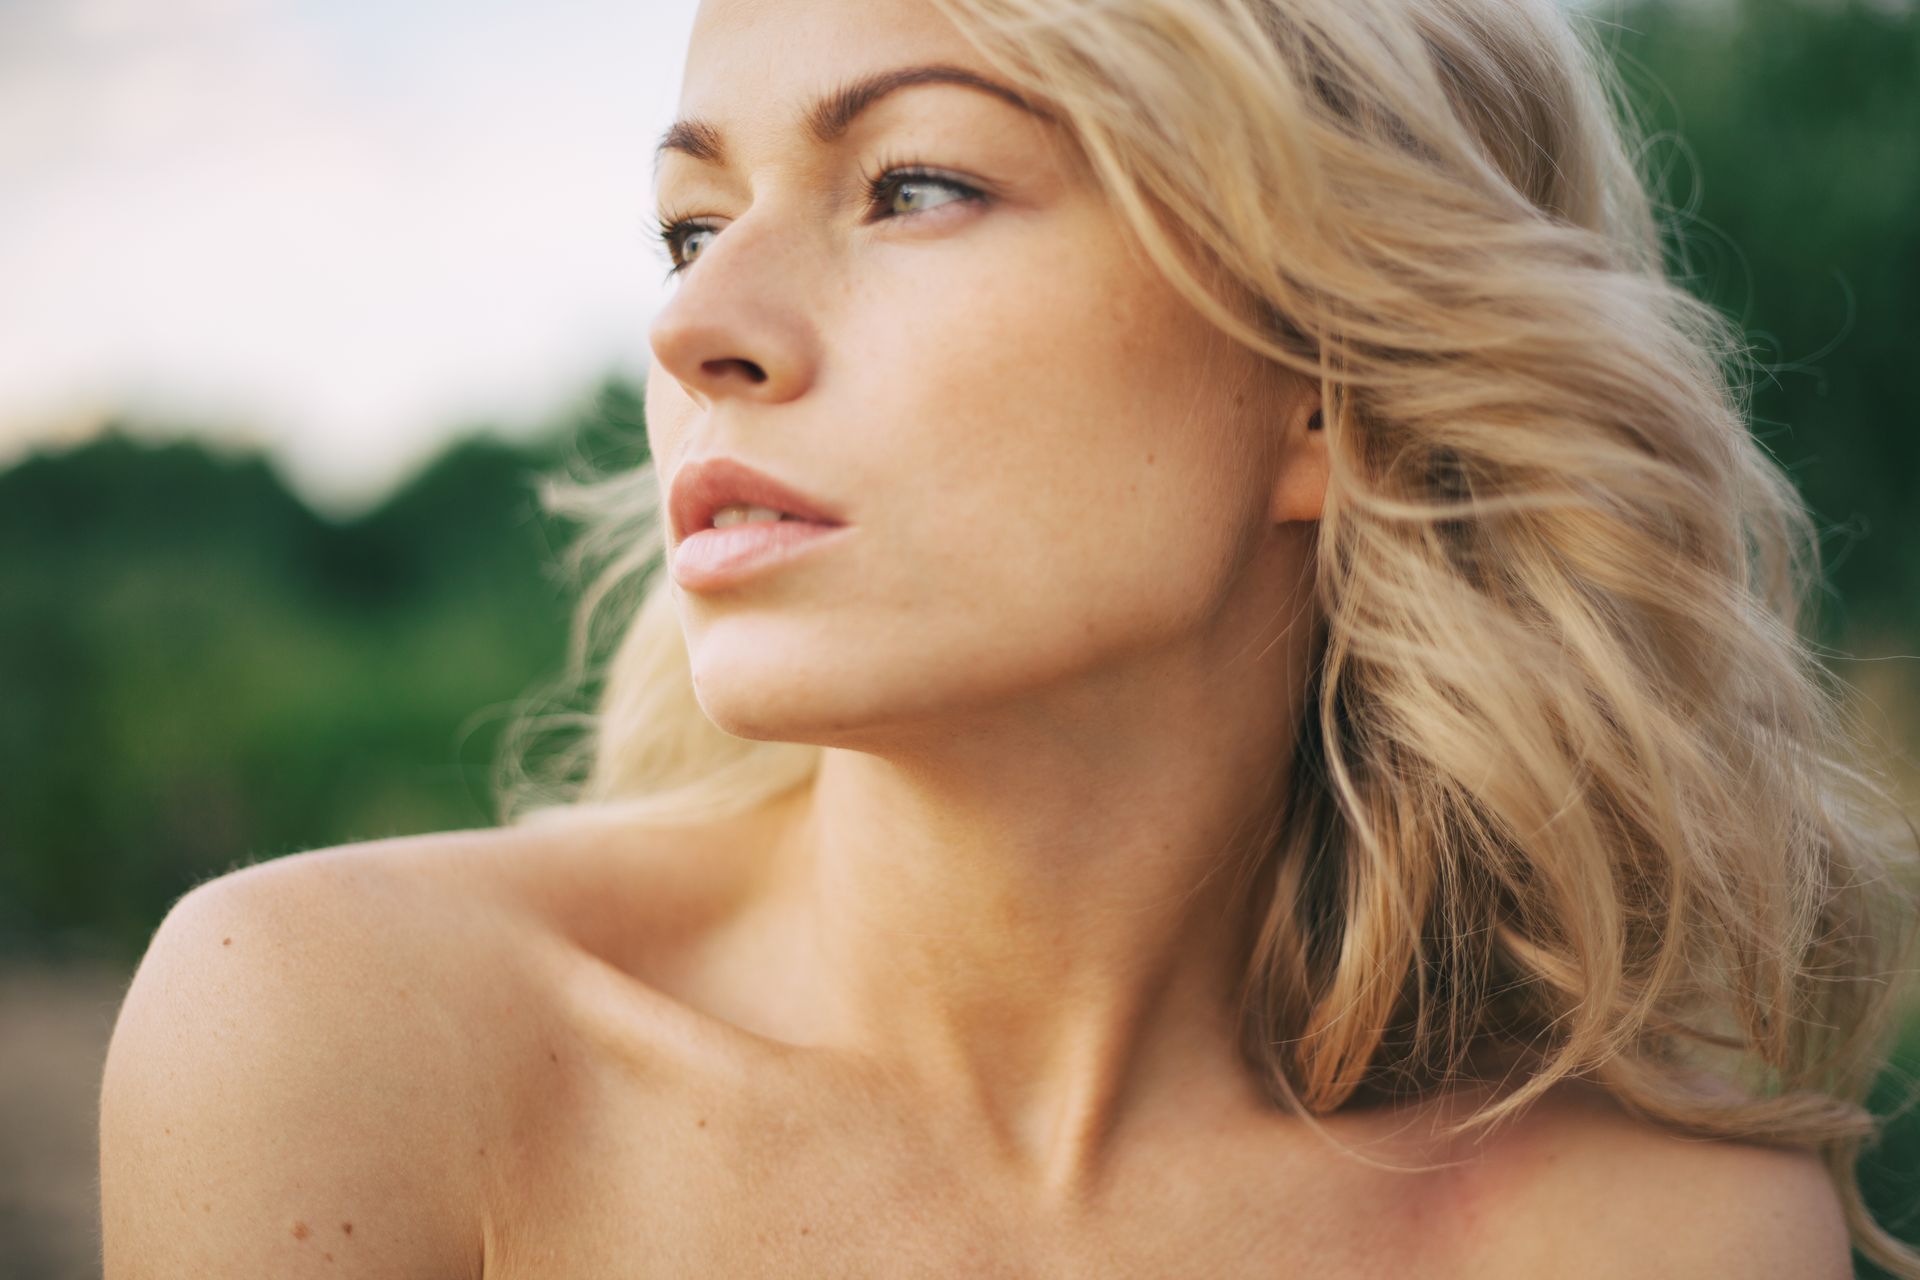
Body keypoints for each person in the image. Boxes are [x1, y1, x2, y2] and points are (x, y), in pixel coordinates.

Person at [98, 0, 1920, 1274]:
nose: (700, 325)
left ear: (1329, 390)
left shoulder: (1653, 1242)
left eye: (913, 185)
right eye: (689, 223)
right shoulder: (347, 1039)